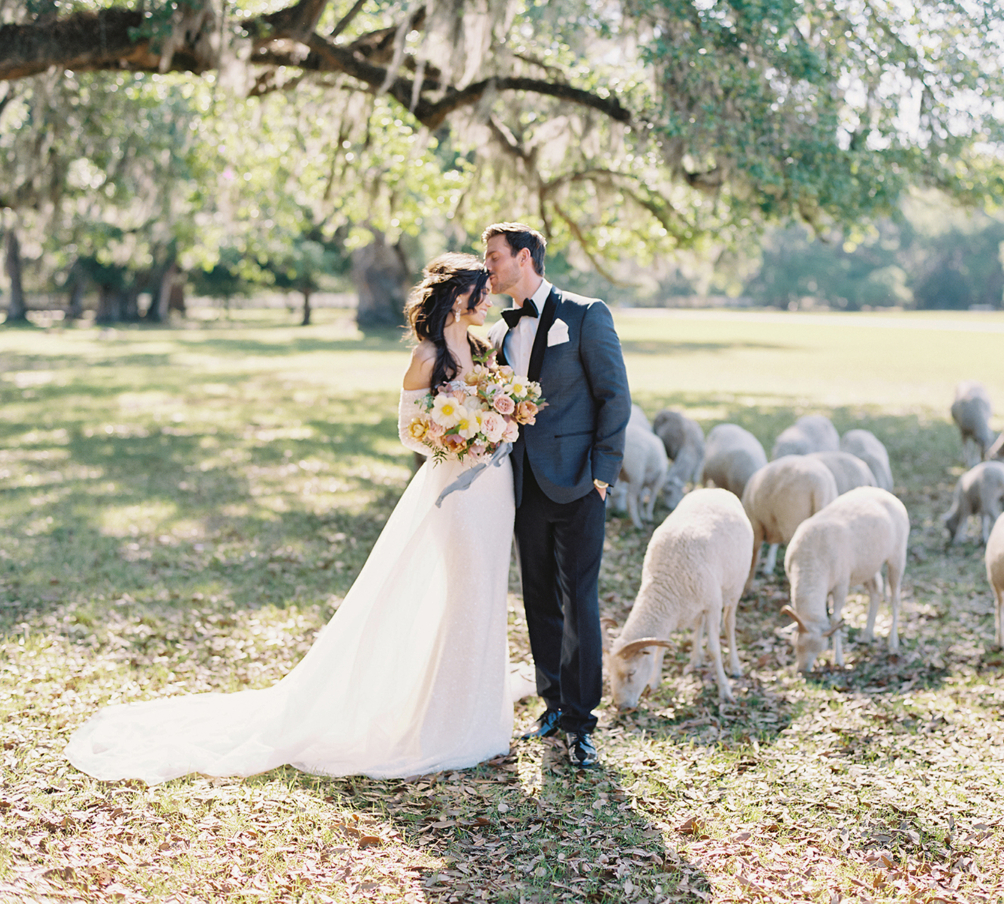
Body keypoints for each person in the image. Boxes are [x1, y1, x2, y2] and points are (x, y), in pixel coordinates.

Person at [66, 253, 518, 784]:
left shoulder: (485, 346)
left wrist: (499, 418)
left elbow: (499, 404)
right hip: (454, 492)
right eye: (480, 291)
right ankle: (443, 725)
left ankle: (480, 716)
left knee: (486, 592)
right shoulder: (427, 355)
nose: (488, 300)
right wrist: (454, 435)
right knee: (460, 594)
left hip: (494, 486)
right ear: (456, 296)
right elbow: (407, 431)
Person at [484, 223, 631, 769]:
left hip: (577, 483)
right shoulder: (501, 333)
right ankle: (550, 703)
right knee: (539, 598)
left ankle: (579, 721)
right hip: (521, 485)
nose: (489, 267)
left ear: (525, 258)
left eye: (495, 257)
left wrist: (603, 471)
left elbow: (614, 395)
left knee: (579, 603)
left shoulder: (586, 314)